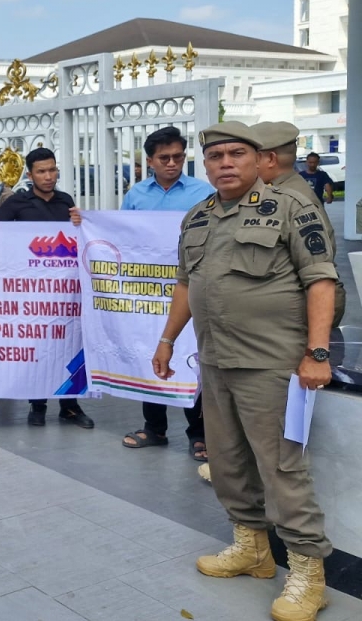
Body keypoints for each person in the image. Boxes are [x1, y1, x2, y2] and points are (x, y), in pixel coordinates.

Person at [153, 121, 335, 621]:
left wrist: (316, 353)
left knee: (281, 469)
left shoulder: (292, 207)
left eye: (237, 153)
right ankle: (252, 549)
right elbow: (186, 286)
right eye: (216, 156)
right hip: (215, 361)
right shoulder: (197, 218)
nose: (226, 162)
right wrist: (168, 339)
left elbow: (321, 281)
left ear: (260, 160)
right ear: (205, 165)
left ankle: (307, 573)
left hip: (272, 364)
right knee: (228, 463)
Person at [119, 127, 214, 461]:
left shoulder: (205, 192)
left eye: (178, 156)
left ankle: (199, 434)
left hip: (191, 287)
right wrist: (82, 222)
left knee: (192, 355)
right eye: (164, 158)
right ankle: (154, 428)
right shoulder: (136, 196)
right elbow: (122, 238)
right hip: (149, 291)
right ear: (150, 161)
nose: (172, 163)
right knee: (154, 353)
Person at [0, 147, 90, 428]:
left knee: (69, 343)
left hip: (66, 288)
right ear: (30, 175)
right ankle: (38, 404)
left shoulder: (65, 201)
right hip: (32, 291)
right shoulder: (16, 204)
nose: (49, 176)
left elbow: (77, 238)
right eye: (42, 171)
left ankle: (70, 407)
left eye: (52, 170)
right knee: (37, 345)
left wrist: (81, 223)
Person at [254, 122, 346, 329]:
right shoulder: (280, 190)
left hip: (305, 307)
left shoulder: (294, 200)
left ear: (270, 159)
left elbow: (318, 269)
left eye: (251, 155)